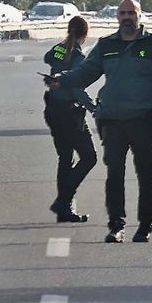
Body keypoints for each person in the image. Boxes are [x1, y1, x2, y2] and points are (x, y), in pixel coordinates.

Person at [48, 0, 152, 243]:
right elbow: (85, 73)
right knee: (115, 174)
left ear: (140, 16)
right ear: (117, 17)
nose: (127, 17)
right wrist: (62, 79)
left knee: (147, 174)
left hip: (145, 118)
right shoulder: (106, 45)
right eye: (122, 13)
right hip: (112, 119)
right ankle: (116, 226)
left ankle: (145, 226)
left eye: (131, 13)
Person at [43, 15, 98, 223]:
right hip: (69, 113)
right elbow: (77, 88)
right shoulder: (78, 56)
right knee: (89, 157)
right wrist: (93, 108)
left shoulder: (59, 48)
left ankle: (64, 209)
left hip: (53, 110)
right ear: (85, 33)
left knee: (65, 157)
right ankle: (63, 201)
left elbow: (47, 58)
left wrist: (59, 69)